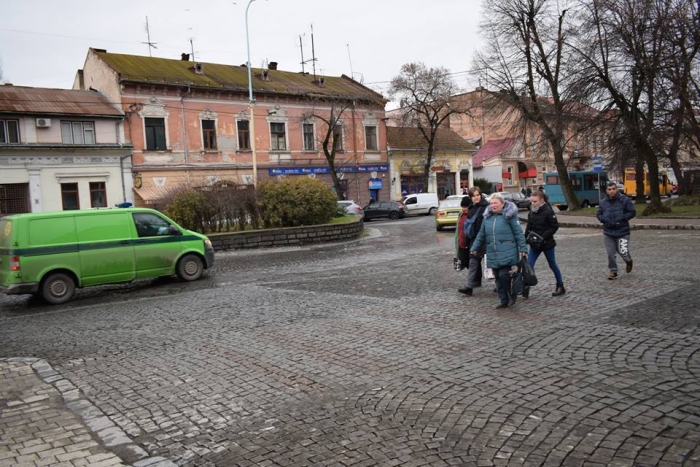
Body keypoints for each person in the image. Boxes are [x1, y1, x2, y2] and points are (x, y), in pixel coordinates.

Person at [470, 193, 528, 309]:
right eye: (491, 203)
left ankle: (512, 294)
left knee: (504, 275)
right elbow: (481, 235)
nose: (493, 205)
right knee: (497, 277)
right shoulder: (487, 218)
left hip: (508, 250)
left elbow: (518, 233)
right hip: (493, 252)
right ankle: (503, 300)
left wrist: (523, 248)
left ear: (502, 203)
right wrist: (474, 248)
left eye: (495, 203)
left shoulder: (510, 216)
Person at [523, 190, 565, 298]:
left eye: (535, 201)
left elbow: (554, 226)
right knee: (529, 265)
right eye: (531, 201)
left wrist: (543, 237)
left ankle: (560, 285)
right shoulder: (531, 212)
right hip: (534, 243)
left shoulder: (548, 211)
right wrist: (525, 239)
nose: (533, 204)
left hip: (547, 243)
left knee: (552, 264)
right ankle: (526, 286)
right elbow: (529, 227)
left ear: (542, 201)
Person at [596, 180, 636, 280]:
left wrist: (623, 217)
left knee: (623, 251)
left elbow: (632, 212)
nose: (612, 191)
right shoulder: (603, 202)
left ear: (617, 189)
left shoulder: (625, 200)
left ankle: (628, 261)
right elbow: (599, 214)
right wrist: (603, 219)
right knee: (611, 254)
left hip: (622, 231)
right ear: (606, 191)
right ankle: (613, 271)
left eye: (613, 189)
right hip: (608, 232)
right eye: (609, 189)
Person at [454, 187, 489, 296]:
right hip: (475, 240)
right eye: (474, 196)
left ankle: (500, 285)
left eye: (478, 195)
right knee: (473, 262)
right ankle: (469, 287)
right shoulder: (471, 209)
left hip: (487, 240)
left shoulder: (487, 207)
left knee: (492, 264)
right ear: (471, 197)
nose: (476, 197)